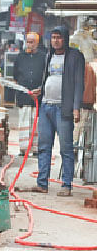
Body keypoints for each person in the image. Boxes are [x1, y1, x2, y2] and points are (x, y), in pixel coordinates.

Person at [32, 25, 85, 196]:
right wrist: (41, 89)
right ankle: (42, 183)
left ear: (65, 39)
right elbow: (48, 78)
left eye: (59, 37)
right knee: (44, 146)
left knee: (66, 148)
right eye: (53, 37)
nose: (56, 40)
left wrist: (76, 108)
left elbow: (78, 84)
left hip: (64, 109)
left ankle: (66, 185)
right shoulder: (49, 55)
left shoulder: (75, 57)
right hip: (46, 106)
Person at [13, 32, 46, 156]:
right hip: (24, 95)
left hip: (38, 96)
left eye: (32, 42)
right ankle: (23, 148)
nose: (30, 44)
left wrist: (40, 89)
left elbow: (45, 75)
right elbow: (16, 75)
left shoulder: (43, 57)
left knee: (36, 123)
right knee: (24, 121)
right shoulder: (20, 57)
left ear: (37, 43)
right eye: (28, 41)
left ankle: (36, 149)